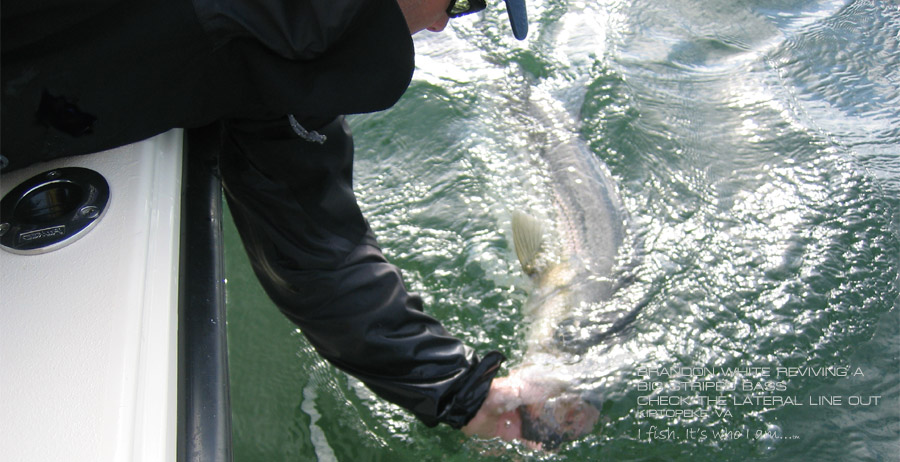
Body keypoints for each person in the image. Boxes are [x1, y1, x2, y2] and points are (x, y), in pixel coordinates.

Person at [2, 0, 540, 445]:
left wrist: (465, 393)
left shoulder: (289, 64)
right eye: (464, 3)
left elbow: (319, 251)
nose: (446, 23)